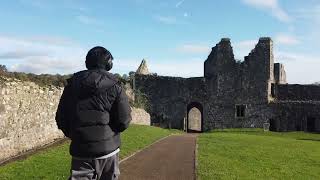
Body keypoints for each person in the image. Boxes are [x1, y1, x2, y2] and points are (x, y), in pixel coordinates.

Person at [55, 46, 132, 180]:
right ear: (108, 64)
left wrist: (77, 135)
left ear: (87, 63)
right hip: (108, 152)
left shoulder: (72, 85)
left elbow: (61, 119)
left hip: (81, 151)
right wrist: (109, 134)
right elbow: (124, 121)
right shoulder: (115, 87)